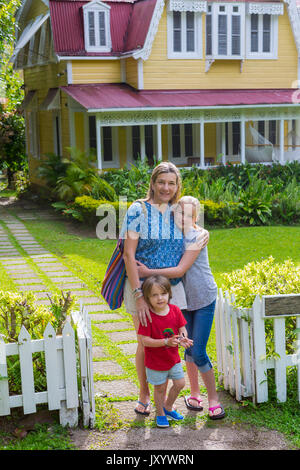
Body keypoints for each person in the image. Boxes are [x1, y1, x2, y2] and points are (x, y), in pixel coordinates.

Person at [120, 162, 209, 416]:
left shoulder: (177, 211)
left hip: (172, 289)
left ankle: (163, 398)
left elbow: (194, 230)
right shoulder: (139, 210)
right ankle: (144, 395)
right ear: (153, 183)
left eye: (171, 183)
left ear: (177, 186)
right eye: (162, 182)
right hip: (143, 288)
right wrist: (138, 296)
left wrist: (205, 233)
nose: (166, 188)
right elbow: (128, 254)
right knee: (145, 343)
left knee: (171, 342)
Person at [137, 196, 225, 419]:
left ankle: (213, 399)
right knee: (187, 345)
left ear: (195, 218)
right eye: (178, 213)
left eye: (188, 214)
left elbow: (179, 270)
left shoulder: (198, 236)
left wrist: (147, 273)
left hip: (203, 297)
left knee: (198, 350)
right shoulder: (172, 236)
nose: (182, 217)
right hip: (183, 300)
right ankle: (194, 394)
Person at [138, 275, 193, 428]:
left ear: (169, 294)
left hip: (173, 359)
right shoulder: (148, 316)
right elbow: (145, 341)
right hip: (155, 362)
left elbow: (182, 329)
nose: (160, 298)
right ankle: (161, 414)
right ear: (148, 298)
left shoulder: (175, 310)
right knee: (160, 388)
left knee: (180, 383)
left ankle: (168, 407)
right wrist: (165, 342)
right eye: (154, 295)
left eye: (163, 293)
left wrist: (183, 339)